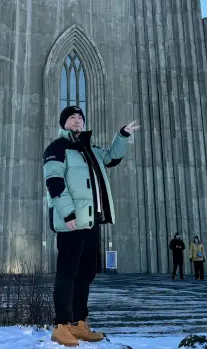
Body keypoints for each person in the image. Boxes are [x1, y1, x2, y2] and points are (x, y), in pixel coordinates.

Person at [44, 105, 140, 347]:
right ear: (64, 123)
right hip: (72, 221)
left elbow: (113, 157)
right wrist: (67, 214)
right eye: (72, 118)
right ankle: (61, 325)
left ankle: (79, 323)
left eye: (80, 118)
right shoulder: (58, 148)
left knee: (85, 274)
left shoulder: (91, 150)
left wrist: (122, 135)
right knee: (67, 273)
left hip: (91, 221)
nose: (77, 121)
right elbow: (54, 181)